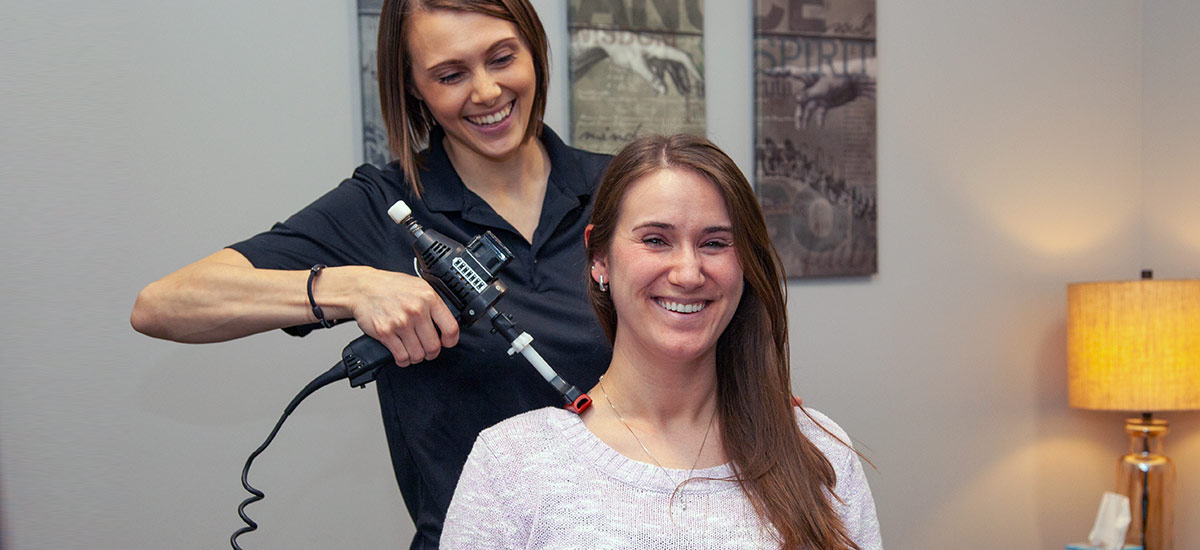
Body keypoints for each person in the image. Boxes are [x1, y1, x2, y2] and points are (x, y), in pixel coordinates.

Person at [130, 0, 614, 547]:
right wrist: (351, 286)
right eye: (450, 75)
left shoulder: (623, 192)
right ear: (412, 86)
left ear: (534, 50)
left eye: (502, 58)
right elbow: (162, 305)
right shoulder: (382, 206)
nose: (485, 92)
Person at [439, 135, 883, 549]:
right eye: (656, 240)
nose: (688, 273)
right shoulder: (511, 466)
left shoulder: (819, 454)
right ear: (600, 257)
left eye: (714, 243)